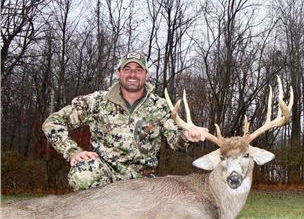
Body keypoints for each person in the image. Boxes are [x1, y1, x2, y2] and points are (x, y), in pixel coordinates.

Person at [42, 51, 206, 191]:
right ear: (118, 73)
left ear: (146, 74)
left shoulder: (160, 107)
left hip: (143, 180)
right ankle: (95, 214)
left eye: (138, 70)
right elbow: (53, 122)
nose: (132, 74)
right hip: (105, 176)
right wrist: (72, 151)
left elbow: (176, 142)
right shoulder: (96, 102)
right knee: (84, 172)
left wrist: (187, 136)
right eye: (127, 69)